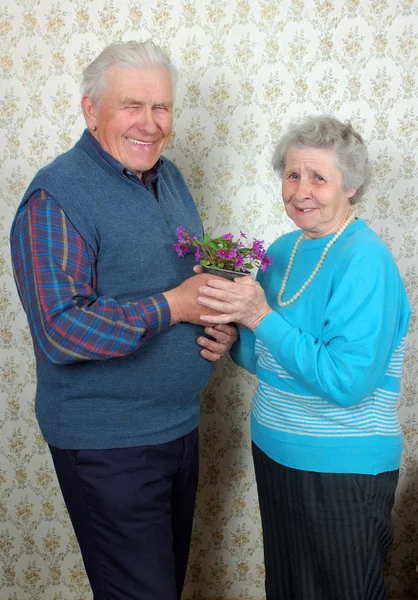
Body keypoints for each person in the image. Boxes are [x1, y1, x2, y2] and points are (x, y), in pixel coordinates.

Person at [10, 40, 237, 600]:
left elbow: (185, 280)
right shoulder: (56, 197)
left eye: (161, 108)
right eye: (132, 106)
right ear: (91, 110)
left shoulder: (170, 177)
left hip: (177, 430)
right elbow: (61, 328)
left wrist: (215, 320)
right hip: (108, 444)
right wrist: (175, 307)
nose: (151, 123)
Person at [196, 115, 410, 600]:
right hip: (275, 451)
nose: (301, 190)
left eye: (319, 177)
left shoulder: (365, 259)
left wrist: (260, 317)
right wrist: (235, 339)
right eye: (292, 175)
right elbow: (263, 355)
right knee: (290, 590)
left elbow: (348, 381)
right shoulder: (284, 249)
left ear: (349, 185)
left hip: (341, 467)